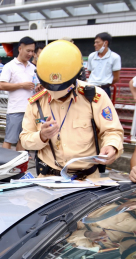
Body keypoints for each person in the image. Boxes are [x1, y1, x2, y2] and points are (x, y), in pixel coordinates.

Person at [20, 40, 124, 180]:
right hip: (49, 178)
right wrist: (42, 136)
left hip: (87, 180)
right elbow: (25, 140)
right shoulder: (36, 103)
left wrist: (112, 147)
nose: (56, 93)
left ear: (77, 75)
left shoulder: (94, 97)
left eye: (63, 87)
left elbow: (112, 131)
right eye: (50, 87)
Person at [0, 36, 37, 151]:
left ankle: (20, 167)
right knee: (9, 139)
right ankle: (4, 165)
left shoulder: (33, 68)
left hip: (30, 110)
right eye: (28, 50)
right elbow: (1, 85)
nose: (30, 54)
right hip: (15, 109)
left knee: (23, 140)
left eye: (32, 51)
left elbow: (36, 85)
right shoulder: (9, 66)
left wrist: (38, 87)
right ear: (20, 49)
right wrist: (21, 85)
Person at [86, 32, 121, 97]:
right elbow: (90, 71)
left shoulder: (115, 57)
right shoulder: (91, 56)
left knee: (103, 107)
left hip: (104, 88)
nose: (95, 44)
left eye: (97, 42)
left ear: (105, 43)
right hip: (91, 87)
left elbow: (116, 77)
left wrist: (104, 84)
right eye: (95, 42)